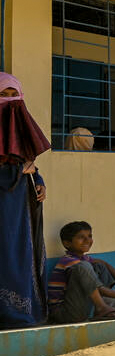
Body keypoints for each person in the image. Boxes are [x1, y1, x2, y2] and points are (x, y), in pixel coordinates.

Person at [0, 73, 50, 328]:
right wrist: (19, 172)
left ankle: (21, 314)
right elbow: (18, 168)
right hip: (4, 214)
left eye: (14, 95)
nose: (10, 102)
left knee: (21, 255)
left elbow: (27, 163)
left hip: (21, 211)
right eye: (3, 95)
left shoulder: (18, 127)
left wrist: (38, 183)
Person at [47, 221, 115, 323]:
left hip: (79, 310)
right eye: (81, 237)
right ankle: (102, 307)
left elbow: (104, 264)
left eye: (89, 236)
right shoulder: (68, 261)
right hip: (63, 313)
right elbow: (99, 289)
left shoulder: (85, 259)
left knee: (99, 266)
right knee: (84, 266)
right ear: (67, 243)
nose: (87, 240)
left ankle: (101, 309)